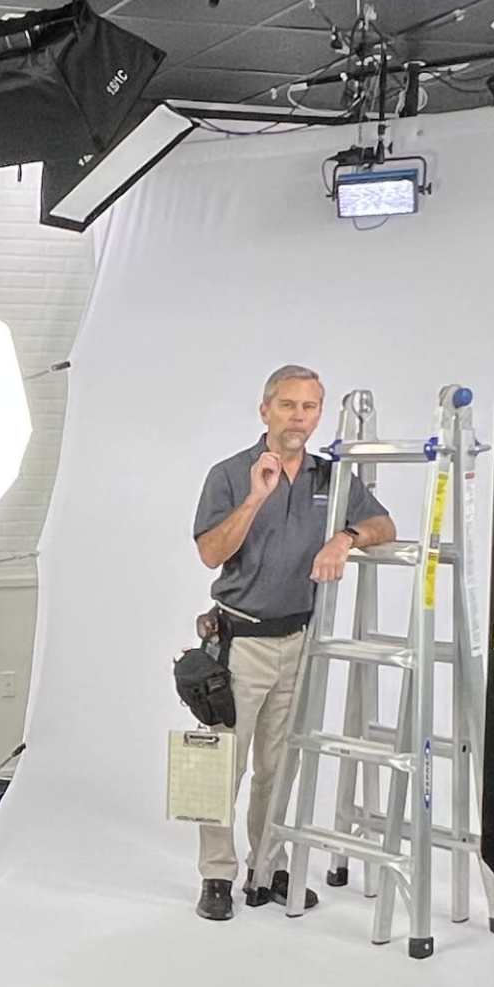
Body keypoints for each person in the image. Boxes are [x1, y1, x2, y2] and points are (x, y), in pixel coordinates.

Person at [187, 365, 390, 919]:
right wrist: (255, 498)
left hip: (301, 641)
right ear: (265, 410)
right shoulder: (229, 473)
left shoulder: (332, 477)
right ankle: (217, 876)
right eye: (288, 405)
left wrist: (346, 537)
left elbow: (384, 526)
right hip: (239, 642)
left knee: (279, 768)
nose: (299, 417)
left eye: (309, 407)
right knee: (222, 766)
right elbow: (210, 553)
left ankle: (268, 867)